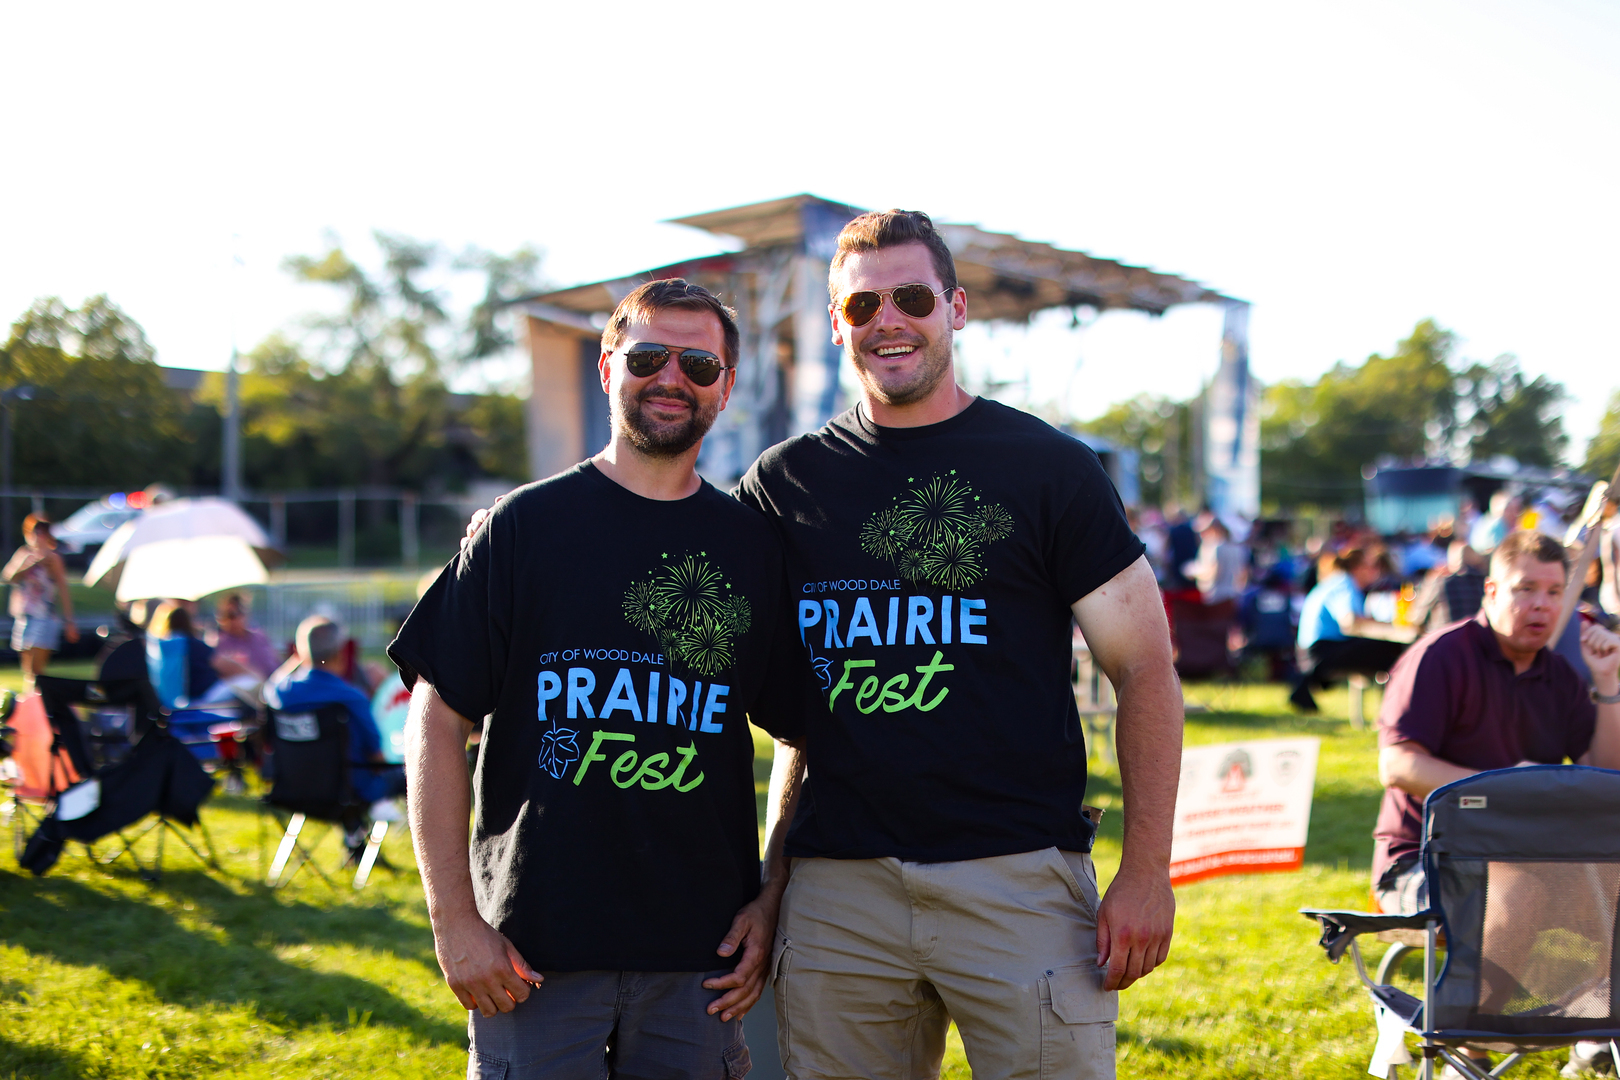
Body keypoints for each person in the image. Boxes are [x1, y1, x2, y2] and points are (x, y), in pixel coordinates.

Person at [736, 209, 1182, 1079]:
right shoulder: (784, 486)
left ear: (956, 308)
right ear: (837, 326)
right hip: (841, 892)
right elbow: (796, 714)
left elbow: (1145, 667)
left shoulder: (1048, 468)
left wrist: (1146, 872)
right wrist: (774, 876)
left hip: (1018, 880)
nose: (888, 321)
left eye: (911, 297)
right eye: (862, 307)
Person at [390, 279, 805, 1078]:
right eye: (648, 356)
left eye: (698, 363)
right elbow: (437, 719)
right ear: (607, 367)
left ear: (726, 385)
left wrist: (772, 888)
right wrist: (453, 920)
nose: (672, 377)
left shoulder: (752, 547)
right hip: (532, 950)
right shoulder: (523, 528)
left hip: (701, 959)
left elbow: (800, 728)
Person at [1372, 531, 1620, 1072]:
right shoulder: (1440, 656)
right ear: (1490, 591)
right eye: (1525, 588)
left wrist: (1607, 684)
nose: (1541, 604)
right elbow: (1398, 766)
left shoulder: (1561, 676)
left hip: (1533, 864)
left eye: (1555, 592)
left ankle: (1593, 1023)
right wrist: (1505, 786)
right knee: (1518, 889)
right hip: (1420, 865)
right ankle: (1473, 1049)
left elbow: (1607, 777)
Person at [266, 615, 405, 812]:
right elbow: (377, 756)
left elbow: (271, 684)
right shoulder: (352, 698)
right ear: (340, 653)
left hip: (292, 789)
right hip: (349, 791)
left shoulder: (279, 693)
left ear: (299, 654)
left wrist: (301, 658)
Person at [1289, 547, 1417, 712]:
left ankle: (1393, 710)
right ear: (1358, 568)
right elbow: (1349, 622)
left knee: (1390, 650)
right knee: (1399, 651)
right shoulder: (1345, 583)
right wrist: (1390, 628)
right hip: (1322, 652)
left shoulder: (1336, 581)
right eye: (1373, 566)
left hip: (1312, 650)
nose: (1376, 570)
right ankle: (1397, 711)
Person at [3, 514, 78, 686]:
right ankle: (32, 703)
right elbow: (9, 577)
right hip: (24, 616)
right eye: (35, 531)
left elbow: (63, 590)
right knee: (27, 670)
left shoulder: (54, 558)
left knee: (37, 670)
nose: (39, 536)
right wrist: (32, 563)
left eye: (43, 531)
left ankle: (39, 703)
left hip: (45, 617)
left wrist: (70, 621)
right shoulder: (23, 554)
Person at [1405, 540, 1487, 634]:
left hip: (1444, 641)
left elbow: (1417, 617)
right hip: (1475, 643)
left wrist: (1429, 579)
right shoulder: (1484, 584)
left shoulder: (1441, 582)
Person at [209, 592, 280, 679]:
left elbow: (275, 662)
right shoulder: (218, 643)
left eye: (239, 612)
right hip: (242, 689)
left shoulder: (259, 637)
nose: (236, 620)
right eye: (230, 615)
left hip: (273, 683)